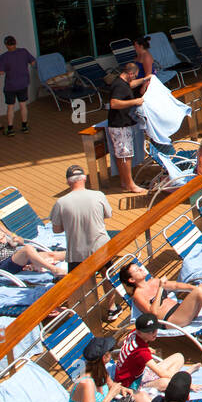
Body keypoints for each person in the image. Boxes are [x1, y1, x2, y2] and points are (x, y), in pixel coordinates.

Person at [118, 262, 202, 329]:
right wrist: (161, 289)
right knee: (198, 292)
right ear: (131, 280)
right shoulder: (138, 296)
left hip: (181, 310)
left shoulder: (154, 281)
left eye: (139, 267)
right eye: (136, 270)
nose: (141, 269)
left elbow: (175, 286)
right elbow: (152, 314)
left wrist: (192, 287)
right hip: (172, 321)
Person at [49, 165, 112, 273]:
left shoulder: (61, 202)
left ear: (68, 182)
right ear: (84, 178)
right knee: (108, 277)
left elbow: (57, 229)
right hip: (101, 246)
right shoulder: (99, 195)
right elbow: (108, 215)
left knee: (83, 286)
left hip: (77, 252)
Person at [112, 313, 199, 391]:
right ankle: (185, 376)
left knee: (179, 357)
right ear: (139, 333)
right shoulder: (141, 352)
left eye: (155, 329)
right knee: (166, 382)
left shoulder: (133, 333)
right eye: (150, 331)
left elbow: (120, 343)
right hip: (131, 386)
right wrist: (188, 385)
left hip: (135, 375)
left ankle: (183, 375)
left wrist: (145, 349)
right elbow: (161, 374)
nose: (154, 333)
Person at [0, 209, 67, 277]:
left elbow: (21, 240)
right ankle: (53, 270)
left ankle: (77, 257)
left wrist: (16, 239)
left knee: (51, 255)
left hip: (17, 256)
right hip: (3, 266)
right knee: (28, 249)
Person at [68, 336, 138, 402]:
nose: (112, 352)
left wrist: (123, 389)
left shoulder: (101, 370)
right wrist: (110, 395)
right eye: (110, 350)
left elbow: (111, 384)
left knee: (139, 399)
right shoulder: (87, 383)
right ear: (104, 357)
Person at [108, 62, 149, 193]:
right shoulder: (119, 85)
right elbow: (114, 103)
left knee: (122, 155)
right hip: (120, 126)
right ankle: (130, 185)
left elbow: (130, 85)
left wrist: (145, 79)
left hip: (121, 124)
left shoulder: (122, 82)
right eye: (134, 75)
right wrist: (135, 101)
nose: (134, 78)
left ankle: (125, 182)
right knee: (126, 156)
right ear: (130, 73)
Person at [0, 35, 36, 135]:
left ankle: (10, 129)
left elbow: (1, 72)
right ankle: (24, 126)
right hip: (23, 83)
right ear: (15, 42)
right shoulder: (23, 51)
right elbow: (33, 62)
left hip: (10, 85)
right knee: (23, 104)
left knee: (10, 106)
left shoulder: (4, 56)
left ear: (6, 45)